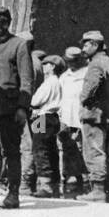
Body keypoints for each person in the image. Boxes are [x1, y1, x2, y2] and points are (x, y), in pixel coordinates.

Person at [0, 4, 33, 208]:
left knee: (11, 150)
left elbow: (27, 80)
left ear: (5, 25)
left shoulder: (19, 45)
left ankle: (13, 194)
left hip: (9, 108)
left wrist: (22, 107)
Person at [78, 30, 109, 201]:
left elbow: (90, 87)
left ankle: (98, 190)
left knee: (94, 151)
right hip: (108, 115)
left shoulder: (96, 64)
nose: (84, 48)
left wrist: (83, 99)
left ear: (95, 45)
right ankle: (108, 190)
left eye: (86, 44)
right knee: (106, 152)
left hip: (94, 115)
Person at [29, 55, 64, 197]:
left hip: (42, 117)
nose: (43, 66)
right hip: (52, 117)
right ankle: (54, 184)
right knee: (51, 149)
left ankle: (45, 184)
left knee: (39, 148)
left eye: (46, 64)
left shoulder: (49, 82)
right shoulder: (57, 82)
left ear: (53, 66)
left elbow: (35, 101)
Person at [58, 46, 88, 194]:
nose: (71, 64)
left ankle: (84, 180)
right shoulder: (64, 77)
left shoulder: (86, 74)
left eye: (74, 61)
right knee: (67, 148)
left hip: (80, 118)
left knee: (82, 149)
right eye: (69, 61)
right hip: (66, 118)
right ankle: (70, 177)